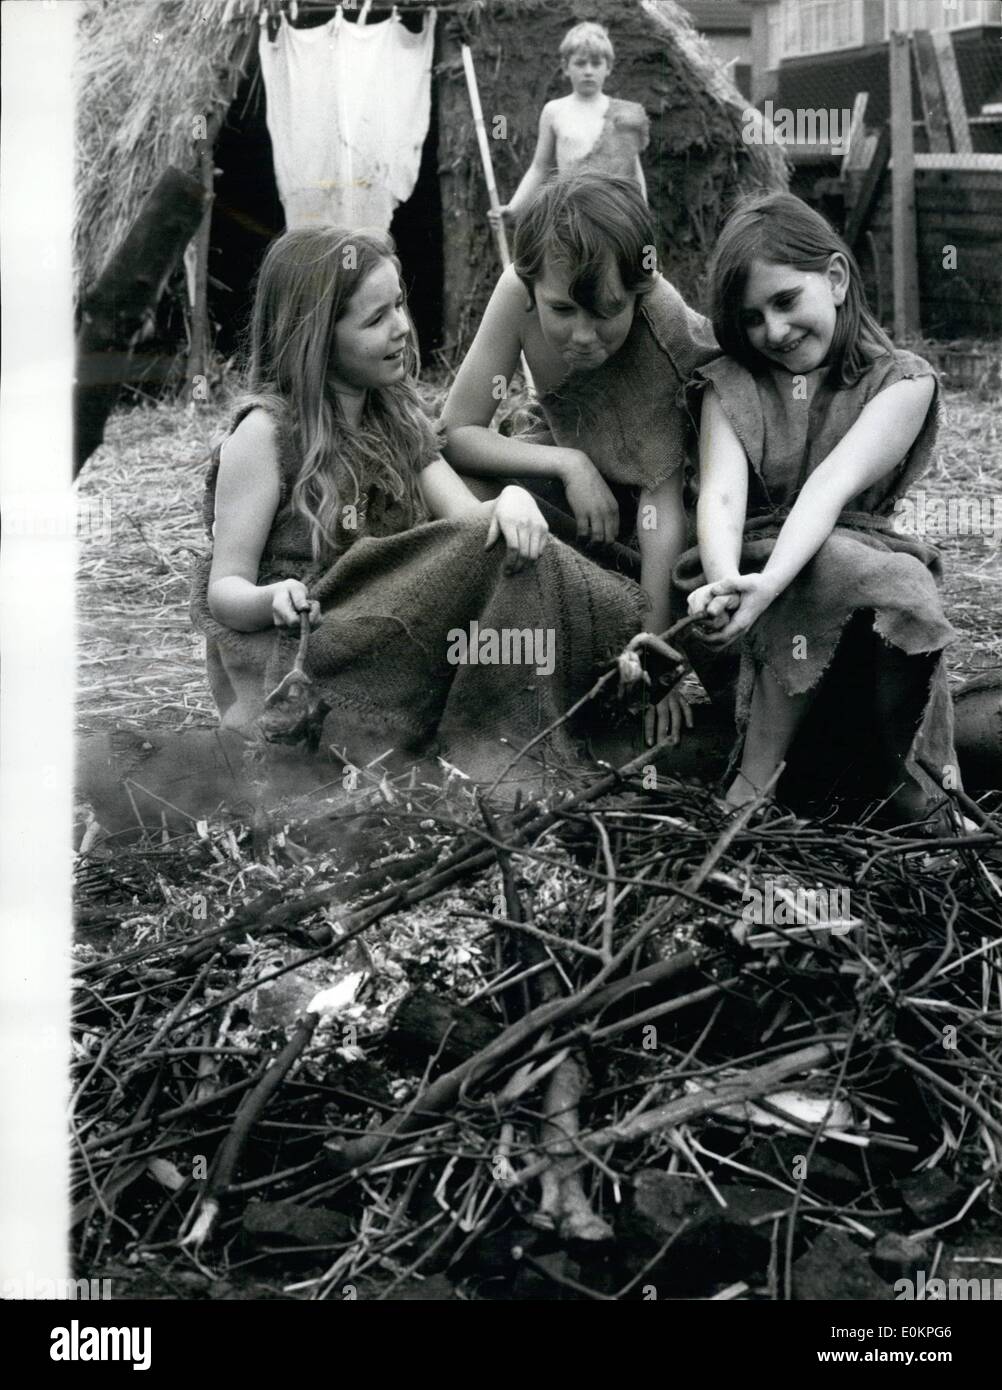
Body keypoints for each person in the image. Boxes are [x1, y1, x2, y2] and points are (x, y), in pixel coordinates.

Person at [189, 227, 647, 787]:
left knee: (510, 545)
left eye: (400, 305)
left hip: (388, 629)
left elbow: (466, 525)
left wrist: (515, 498)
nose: (402, 327)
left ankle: (618, 653)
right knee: (488, 548)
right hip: (308, 649)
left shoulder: (397, 421)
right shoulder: (267, 436)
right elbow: (224, 593)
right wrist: (270, 599)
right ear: (315, 339)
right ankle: (510, 749)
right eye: (375, 319)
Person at [676, 192, 960, 823]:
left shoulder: (903, 382)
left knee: (879, 578)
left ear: (834, 278)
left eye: (785, 301)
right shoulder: (731, 384)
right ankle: (754, 782)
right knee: (824, 565)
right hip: (747, 580)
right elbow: (722, 495)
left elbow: (829, 487)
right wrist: (728, 584)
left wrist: (769, 585)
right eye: (752, 318)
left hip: (856, 576)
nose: (773, 332)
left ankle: (914, 784)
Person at [442, 172, 719, 746]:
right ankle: (501, 647)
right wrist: (569, 465)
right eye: (563, 310)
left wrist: (651, 658)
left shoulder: (660, 324)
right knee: (461, 490)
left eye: (606, 311)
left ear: (638, 292)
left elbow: (661, 504)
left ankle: (606, 628)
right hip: (582, 483)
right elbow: (456, 433)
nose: (583, 335)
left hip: (669, 509)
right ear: (532, 283)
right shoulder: (517, 296)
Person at [490, 20, 648, 231]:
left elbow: (634, 172)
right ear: (566, 67)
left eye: (596, 63)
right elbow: (540, 167)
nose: (588, 71)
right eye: (580, 63)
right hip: (571, 218)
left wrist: (642, 219)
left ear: (608, 68)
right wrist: (513, 208)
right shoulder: (554, 111)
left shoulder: (625, 114)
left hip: (615, 219)